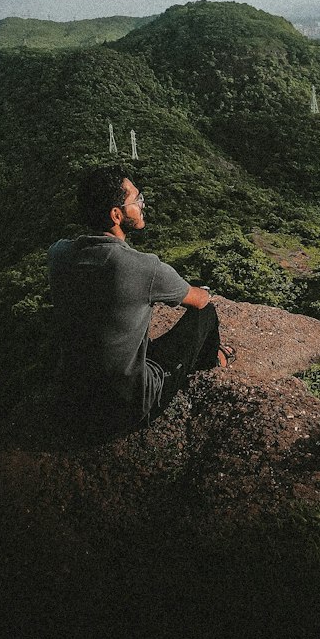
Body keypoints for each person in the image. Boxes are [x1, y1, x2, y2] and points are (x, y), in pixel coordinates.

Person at [48, 165, 233, 438]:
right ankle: (213, 364)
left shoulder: (59, 253)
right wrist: (202, 290)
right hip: (122, 409)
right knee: (207, 314)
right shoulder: (141, 267)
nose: (142, 204)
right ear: (116, 214)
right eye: (137, 199)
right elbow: (199, 300)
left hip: (72, 402)